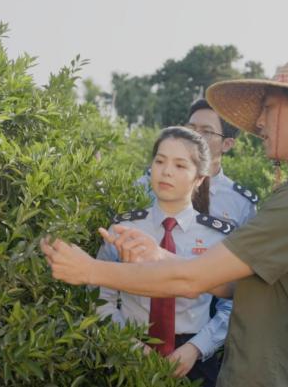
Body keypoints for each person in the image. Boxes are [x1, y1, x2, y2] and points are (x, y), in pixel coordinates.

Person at [42, 56, 288, 386]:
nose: (259, 122)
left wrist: (88, 270)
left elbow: (192, 279)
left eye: (268, 109)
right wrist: (160, 258)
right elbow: (246, 287)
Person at [97, 126, 233, 386]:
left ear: (199, 178)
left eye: (180, 165)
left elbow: (231, 305)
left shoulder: (218, 237)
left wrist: (196, 348)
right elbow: (100, 297)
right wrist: (130, 346)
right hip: (128, 350)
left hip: (193, 358)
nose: (166, 171)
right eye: (160, 161)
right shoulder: (125, 228)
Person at [137, 99, 258, 227]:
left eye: (206, 132)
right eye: (190, 129)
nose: (194, 137)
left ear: (227, 144)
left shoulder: (240, 203)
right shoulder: (148, 184)